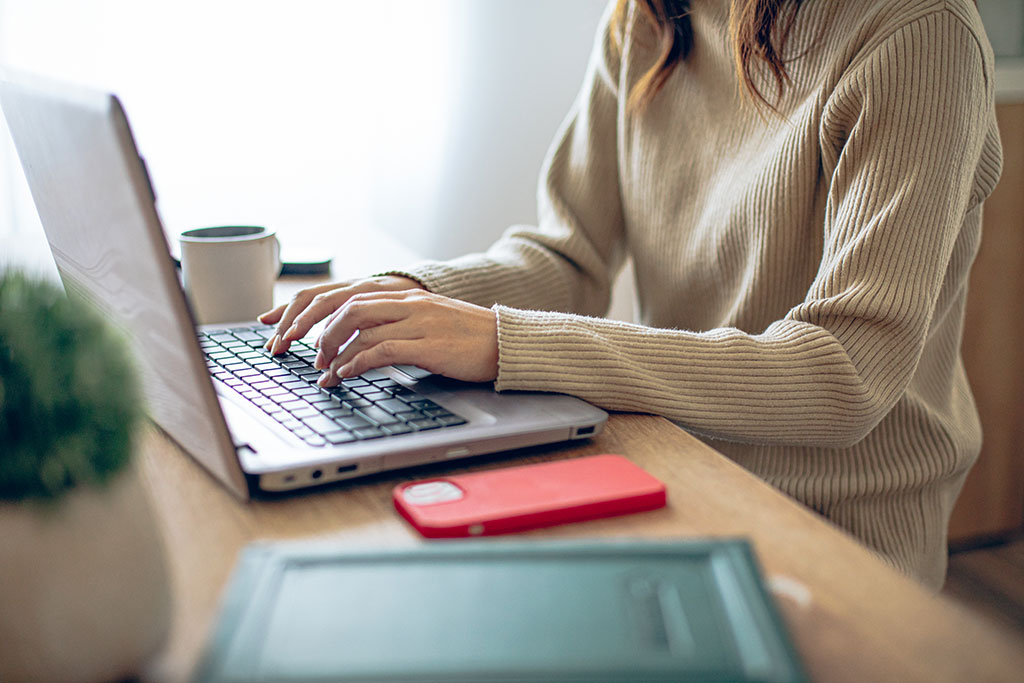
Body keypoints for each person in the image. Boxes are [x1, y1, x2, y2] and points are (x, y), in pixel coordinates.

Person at [259, 0, 1002, 591]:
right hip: (667, 462)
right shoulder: (649, 17)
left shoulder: (919, 33)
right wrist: (411, 296)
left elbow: (845, 374)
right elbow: (570, 255)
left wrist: (504, 341)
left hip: (837, 533)